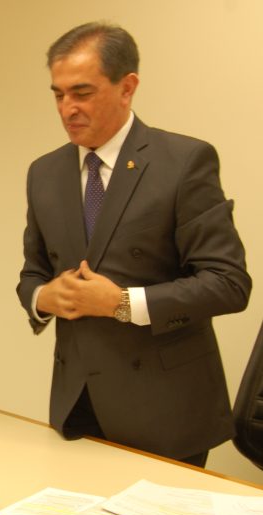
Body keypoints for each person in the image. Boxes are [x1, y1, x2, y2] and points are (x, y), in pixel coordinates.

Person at [17, 22, 252, 468]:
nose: (67, 108)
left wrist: (122, 303)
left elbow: (228, 283)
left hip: (165, 412)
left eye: (82, 93)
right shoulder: (44, 172)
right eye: (58, 94)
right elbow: (33, 273)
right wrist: (43, 298)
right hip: (77, 405)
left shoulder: (183, 162)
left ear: (127, 88)